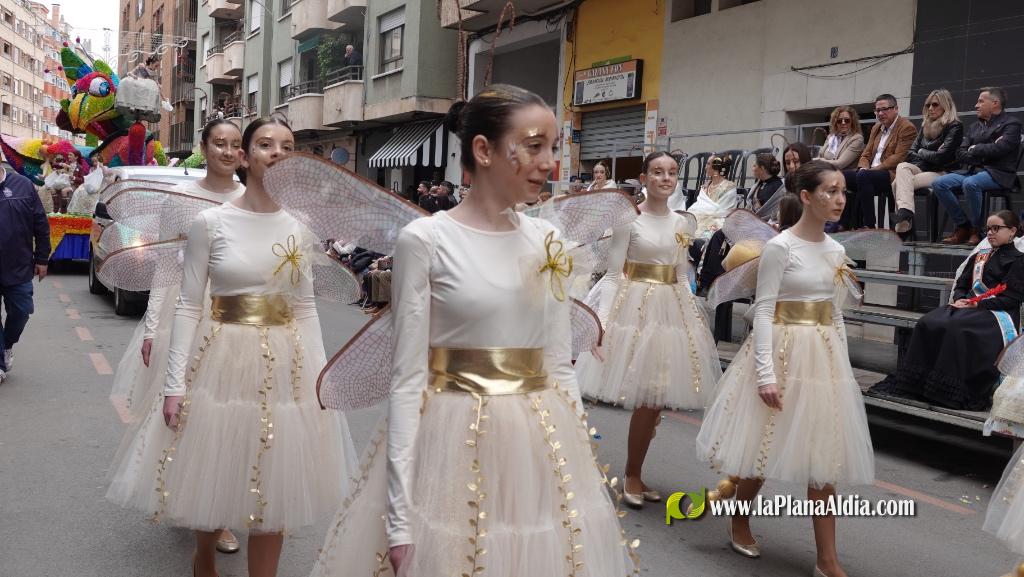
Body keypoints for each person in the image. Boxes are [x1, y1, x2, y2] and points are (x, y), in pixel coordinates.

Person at [309, 84, 638, 577]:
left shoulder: (547, 239)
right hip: (448, 438)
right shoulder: (425, 239)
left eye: (552, 146)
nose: (549, 161)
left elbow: (556, 364)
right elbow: (406, 379)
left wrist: (575, 463)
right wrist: (398, 520)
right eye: (533, 146)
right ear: (483, 150)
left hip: (536, 439)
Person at [106, 117, 355, 577]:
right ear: (246, 156)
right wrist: (174, 384)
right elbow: (187, 305)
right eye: (265, 144)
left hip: (286, 365)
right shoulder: (210, 223)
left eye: (287, 145)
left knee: (276, 482)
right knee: (212, 462)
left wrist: (321, 379)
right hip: (219, 357)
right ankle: (205, 561)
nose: (277, 153)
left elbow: (305, 308)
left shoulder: (300, 228)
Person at [696, 161, 874, 577]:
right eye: (830, 191)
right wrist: (765, 374)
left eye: (843, 191)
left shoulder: (837, 251)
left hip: (821, 357)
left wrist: (841, 368)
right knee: (762, 448)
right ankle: (739, 519)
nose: (839, 199)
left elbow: (835, 314)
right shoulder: (780, 247)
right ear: (807, 197)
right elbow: (763, 311)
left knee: (822, 458)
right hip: (781, 351)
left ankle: (827, 560)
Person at [107, 119, 247, 554]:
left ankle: (223, 514)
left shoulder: (251, 200)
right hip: (184, 315)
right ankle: (188, 494)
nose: (227, 151)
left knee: (230, 416)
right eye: (218, 143)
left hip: (235, 321)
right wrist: (152, 328)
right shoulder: (181, 201)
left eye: (235, 145)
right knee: (187, 412)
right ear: (202, 148)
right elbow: (166, 269)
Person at [575, 151, 721, 508]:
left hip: (672, 309)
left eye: (671, 172)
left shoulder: (684, 222)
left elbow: (683, 268)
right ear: (644, 177)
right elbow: (612, 275)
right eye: (657, 172)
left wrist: (690, 307)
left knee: (656, 400)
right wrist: (603, 324)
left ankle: (634, 470)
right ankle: (631, 474)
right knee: (647, 398)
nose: (665, 178)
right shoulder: (629, 220)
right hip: (636, 307)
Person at [875, 210, 1024, 410]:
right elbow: (962, 284)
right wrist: (961, 299)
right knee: (928, 322)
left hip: (997, 315)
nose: (990, 233)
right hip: (970, 307)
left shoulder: (1019, 260)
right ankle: (918, 384)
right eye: (988, 228)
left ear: (1012, 231)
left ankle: (947, 391)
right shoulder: (981, 256)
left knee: (958, 328)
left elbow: (1012, 299)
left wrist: (977, 304)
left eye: (996, 228)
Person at [935, 87, 1022, 245]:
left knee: (970, 183)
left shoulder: (1012, 124)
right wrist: (980, 153)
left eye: (981, 101)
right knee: (939, 183)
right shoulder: (975, 126)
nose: (976, 105)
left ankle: (977, 229)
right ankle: (963, 226)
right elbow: (960, 152)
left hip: (998, 173)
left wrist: (975, 149)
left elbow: (1001, 149)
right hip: (973, 170)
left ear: (995, 103)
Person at [891, 89, 964, 238]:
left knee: (897, 184)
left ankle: (904, 225)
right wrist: (930, 153)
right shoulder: (925, 126)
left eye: (935, 104)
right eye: (928, 105)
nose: (930, 108)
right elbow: (910, 153)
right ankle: (906, 215)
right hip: (924, 169)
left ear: (946, 105)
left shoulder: (954, 126)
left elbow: (941, 158)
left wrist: (923, 152)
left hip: (942, 172)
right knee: (902, 166)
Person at [0, 164, 49, 384]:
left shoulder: (23, 185)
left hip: (18, 266)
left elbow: (40, 223)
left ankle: (6, 345)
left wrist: (42, 258)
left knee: (21, 312)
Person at [841, 94, 917, 229]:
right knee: (840, 177)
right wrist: (863, 167)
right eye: (877, 110)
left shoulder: (906, 127)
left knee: (864, 177)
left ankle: (869, 225)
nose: (880, 113)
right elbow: (866, 154)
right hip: (869, 173)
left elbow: (898, 157)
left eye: (885, 109)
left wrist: (871, 170)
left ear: (896, 109)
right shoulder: (876, 128)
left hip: (891, 174)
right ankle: (844, 225)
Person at [689, 154, 738, 238]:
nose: (705, 167)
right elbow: (698, 206)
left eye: (708, 164)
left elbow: (725, 211)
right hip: (699, 218)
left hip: (718, 221)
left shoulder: (728, 187)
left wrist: (705, 212)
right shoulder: (705, 186)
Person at [816, 105, 865, 171]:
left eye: (847, 120)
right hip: (825, 172)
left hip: (843, 175)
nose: (843, 123)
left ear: (852, 122)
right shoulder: (831, 137)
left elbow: (840, 164)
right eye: (839, 121)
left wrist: (819, 161)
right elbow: (820, 155)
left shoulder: (857, 138)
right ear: (835, 123)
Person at [745, 152, 785, 218]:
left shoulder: (777, 186)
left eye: (755, 166)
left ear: (762, 168)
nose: (752, 169)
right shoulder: (759, 183)